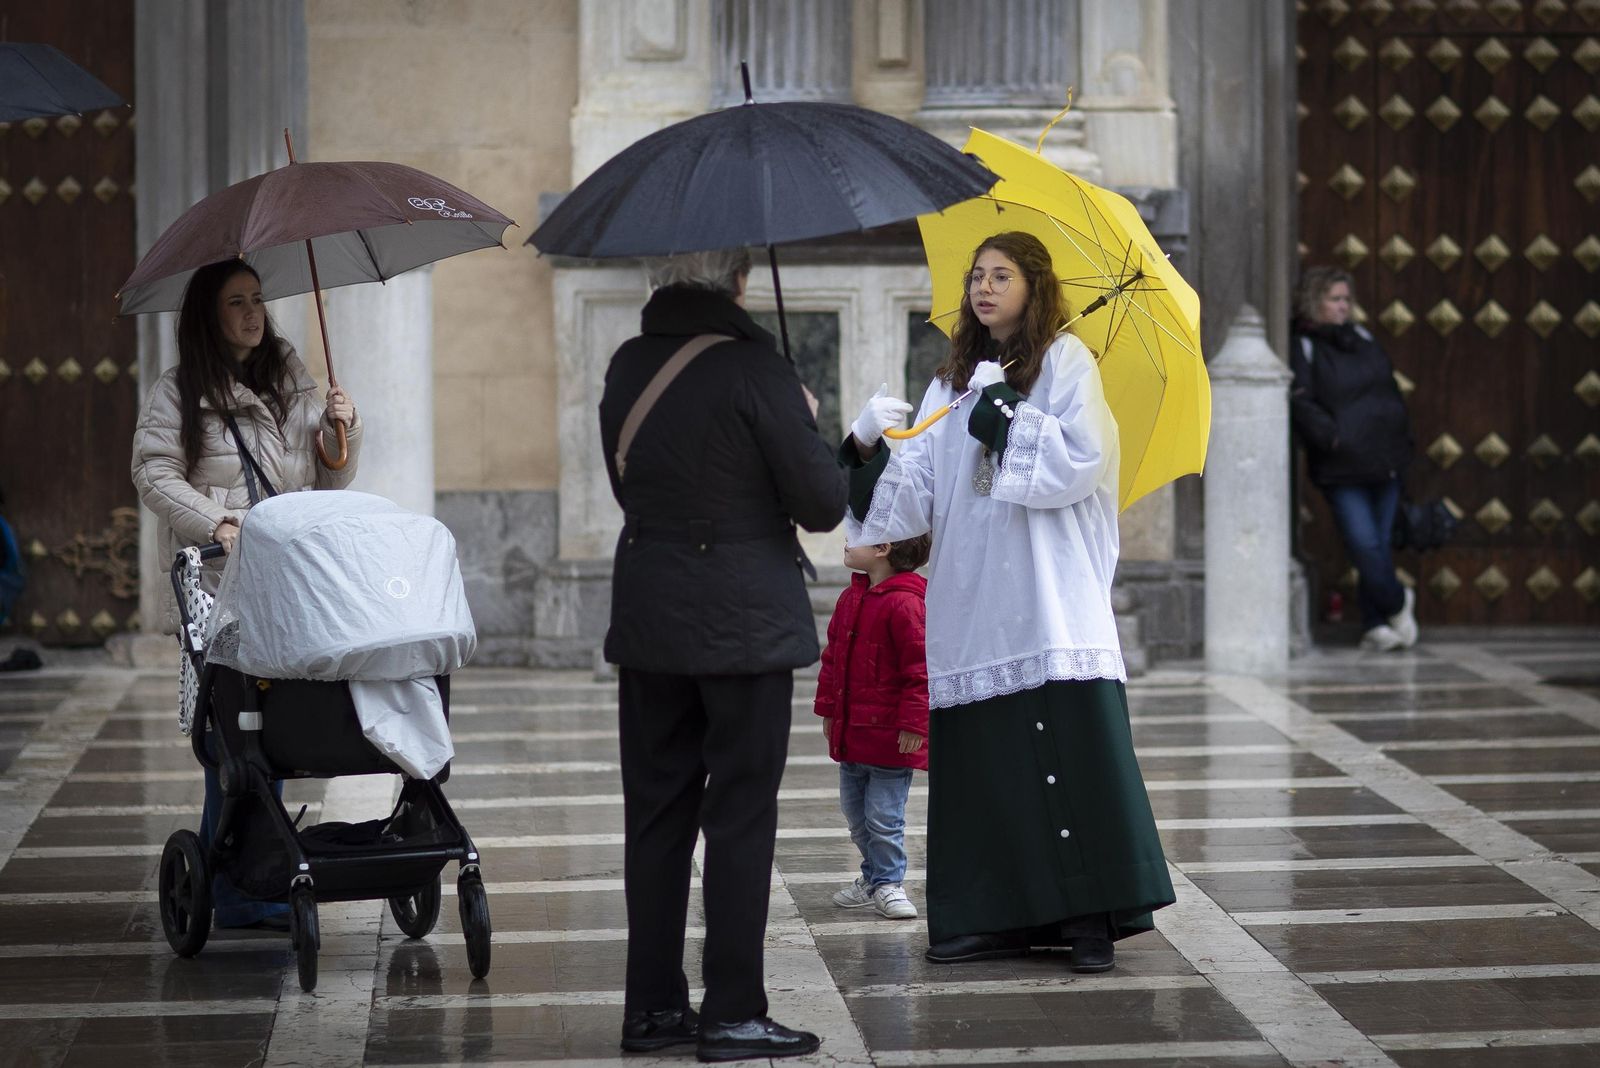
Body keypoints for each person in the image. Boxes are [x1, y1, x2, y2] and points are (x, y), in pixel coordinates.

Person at [842, 231, 1174, 975]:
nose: (984, 288)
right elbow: (911, 501)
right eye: (977, 276)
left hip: (1050, 594)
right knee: (990, 771)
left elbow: (1080, 462)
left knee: (1070, 760)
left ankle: (1088, 918)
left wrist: (1004, 406)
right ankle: (991, 917)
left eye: (1001, 276)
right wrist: (866, 448)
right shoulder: (950, 383)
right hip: (973, 600)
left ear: (1033, 287)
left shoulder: (1066, 361)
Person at [597, 247, 844, 1061]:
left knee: (655, 815)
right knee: (739, 818)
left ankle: (652, 1011)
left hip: (652, 613)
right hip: (742, 622)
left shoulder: (629, 364)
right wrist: (805, 417)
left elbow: (629, 487)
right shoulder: (756, 369)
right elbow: (821, 503)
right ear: (739, 281)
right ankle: (733, 1011)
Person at [131, 260, 360, 928]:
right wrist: (216, 521)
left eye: (257, 299)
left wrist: (342, 431)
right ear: (210, 313)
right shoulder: (179, 392)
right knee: (235, 732)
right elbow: (152, 472)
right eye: (237, 302)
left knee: (274, 730)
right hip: (220, 586)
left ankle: (246, 873)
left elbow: (330, 480)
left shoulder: (293, 381)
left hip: (290, 580)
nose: (253, 312)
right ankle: (239, 883)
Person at [1289, 266, 1418, 652]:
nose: (1343, 306)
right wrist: (1333, 438)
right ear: (1315, 300)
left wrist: (1398, 433)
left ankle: (1375, 624)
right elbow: (1301, 401)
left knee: (1379, 544)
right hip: (1343, 465)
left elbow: (1386, 389)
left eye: (1347, 299)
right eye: (1335, 299)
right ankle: (1397, 602)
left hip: (1384, 458)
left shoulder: (1362, 337)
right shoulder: (1304, 344)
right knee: (1364, 543)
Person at [815, 531, 932, 922]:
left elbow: (920, 670)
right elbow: (832, 660)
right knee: (856, 818)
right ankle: (872, 877)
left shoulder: (906, 604)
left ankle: (889, 884)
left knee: (884, 819)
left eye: (857, 537)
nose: (847, 542)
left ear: (883, 549)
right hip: (853, 735)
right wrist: (829, 711)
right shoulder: (851, 598)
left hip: (889, 740)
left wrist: (914, 724)